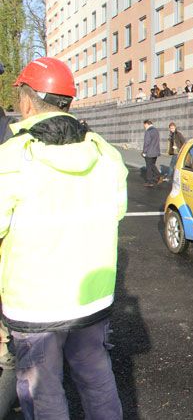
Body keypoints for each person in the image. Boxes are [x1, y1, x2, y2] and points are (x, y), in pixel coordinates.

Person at [0, 57, 126, 418]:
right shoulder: (107, 154)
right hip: (92, 299)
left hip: (34, 304)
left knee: (44, 391)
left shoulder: (12, 158)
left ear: (26, 101)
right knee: (97, 378)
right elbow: (115, 213)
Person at [142, 119, 161, 187]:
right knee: (152, 165)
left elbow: (146, 143)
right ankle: (158, 176)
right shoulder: (156, 130)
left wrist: (144, 152)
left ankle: (150, 182)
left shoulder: (148, 131)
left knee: (149, 167)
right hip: (155, 152)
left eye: (144, 125)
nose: (144, 127)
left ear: (147, 124)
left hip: (149, 153)